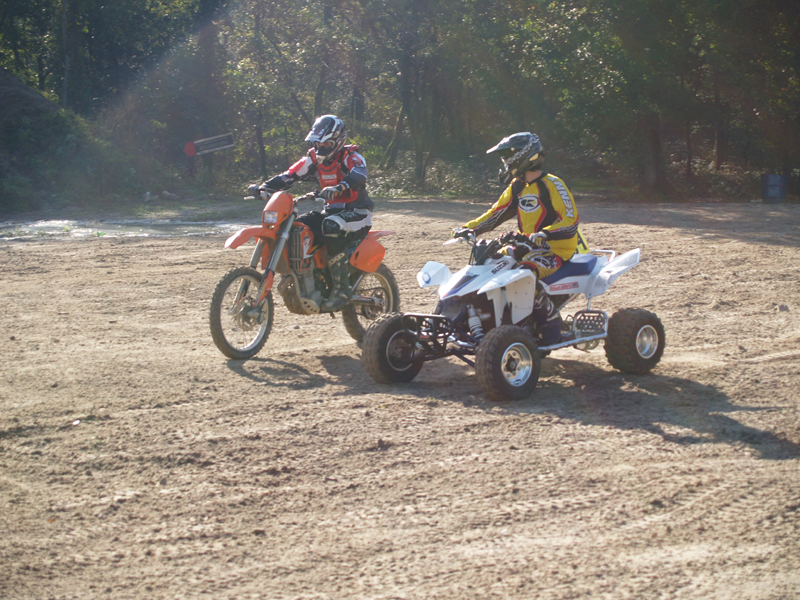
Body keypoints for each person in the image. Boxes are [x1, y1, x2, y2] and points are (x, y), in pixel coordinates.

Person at [453, 131, 580, 344]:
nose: (504, 163)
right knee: (489, 265)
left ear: (524, 155)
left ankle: (551, 324)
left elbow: (570, 220)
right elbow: (495, 213)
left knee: (524, 274)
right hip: (526, 246)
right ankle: (486, 322)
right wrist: (469, 229)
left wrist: (546, 233)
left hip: (554, 249)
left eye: (506, 158)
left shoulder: (553, 184)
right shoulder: (518, 186)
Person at [248, 114, 373, 311]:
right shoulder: (313, 159)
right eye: (318, 144)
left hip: (357, 212)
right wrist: (264, 187)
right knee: (298, 227)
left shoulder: (351, 157)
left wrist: (340, 187)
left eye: (326, 144)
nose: (321, 148)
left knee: (331, 226)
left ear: (338, 142)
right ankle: (309, 278)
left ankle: (342, 290)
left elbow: (360, 174)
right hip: (331, 212)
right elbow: (289, 175)